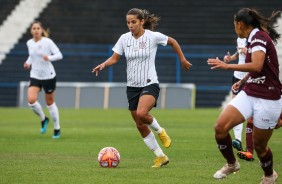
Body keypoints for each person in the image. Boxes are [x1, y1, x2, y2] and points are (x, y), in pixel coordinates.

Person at [92, 8, 192, 167]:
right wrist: (104, 64)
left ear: (141, 21)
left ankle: (160, 131)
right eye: (128, 22)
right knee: (139, 123)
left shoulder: (152, 37)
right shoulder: (124, 39)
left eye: (133, 22)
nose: (130, 25)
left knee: (142, 113)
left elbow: (172, 41)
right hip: (132, 86)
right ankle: (160, 156)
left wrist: (183, 60)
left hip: (150, 83)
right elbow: (115, 58)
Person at [207, 8, 281, 183]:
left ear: (239, 24)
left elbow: (256, 65)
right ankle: (232, 164)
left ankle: (269, 175)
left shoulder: (259, 38)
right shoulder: (252, 38)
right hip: (250, 92)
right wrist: (242, 82)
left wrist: (227, 67)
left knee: (260, 147)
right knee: (220, 128)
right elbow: (258, 69)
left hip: (268, 97)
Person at [23, 21, 63, 139]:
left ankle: (57, 128)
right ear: (31, 31)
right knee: (31, 100)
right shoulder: (29, 43)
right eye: (34, 28)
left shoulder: (47, 42)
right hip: (35, 75)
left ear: (41, 30)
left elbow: (59, 55)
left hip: (48, 76)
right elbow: (32, 55)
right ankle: (43, 119)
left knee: (50, 103)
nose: (36, 30)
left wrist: (49, 57)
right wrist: (28, 63)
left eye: (38, 28)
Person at [223, 38, 254, 161]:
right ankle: (238, 140)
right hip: (237, 76)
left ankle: (251, 147)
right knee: (236, 108)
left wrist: (248, 52)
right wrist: (231, 58)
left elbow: (257, 59)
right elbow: (238, 53)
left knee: (251, 113)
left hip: (248, 76)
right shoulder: (239, 38)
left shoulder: (252, 37)